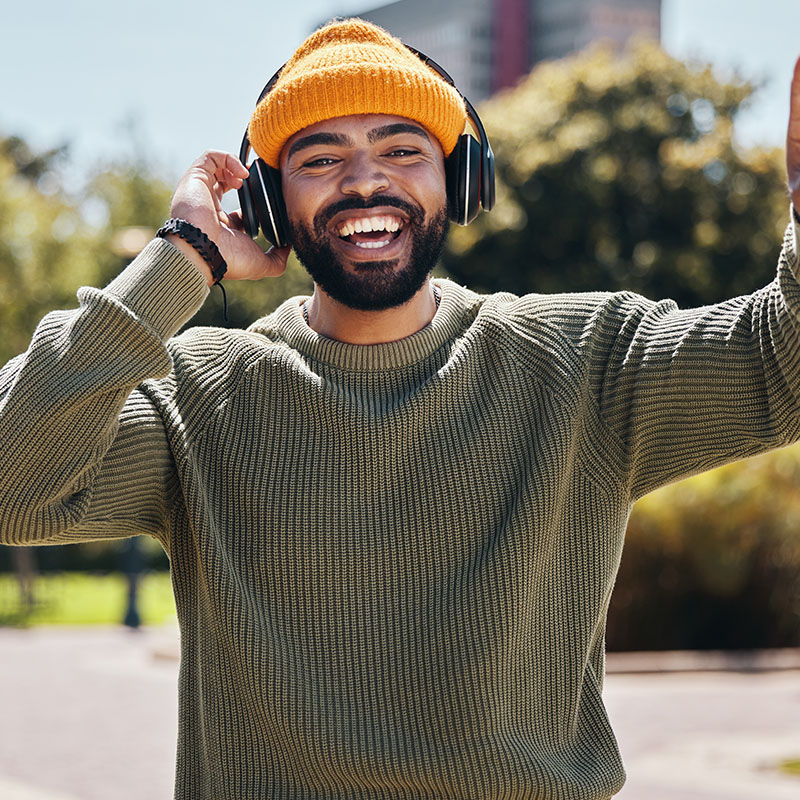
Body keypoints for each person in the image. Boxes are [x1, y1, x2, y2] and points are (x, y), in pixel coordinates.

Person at [1, 17, 799, 800]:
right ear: (271, 203)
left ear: (460, 179)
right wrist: (182, 257)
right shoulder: (200, 396)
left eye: (401, 148)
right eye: (320, 158)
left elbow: (781, 365)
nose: (365, 180)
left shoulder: (586, 361)